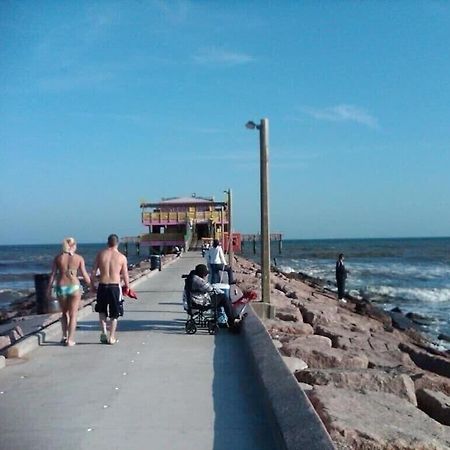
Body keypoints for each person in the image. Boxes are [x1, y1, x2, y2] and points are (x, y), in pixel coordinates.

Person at [47, 237, 91, 347]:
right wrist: (92, 286)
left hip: (61, 287)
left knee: (64, 313)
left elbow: (52, 275)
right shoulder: (79, 258)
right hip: (74, 286)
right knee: (73, 314)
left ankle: (64, 335)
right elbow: (85, 274)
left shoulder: (58, 258)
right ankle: (70, 340)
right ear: (73, 246)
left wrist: (48, 289)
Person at [91, 234, 130, 345]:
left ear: (107, 243)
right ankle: (111, 337)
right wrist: (127, 286)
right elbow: (125, 274)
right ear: (117, 243)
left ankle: (103, 332)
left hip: (102, 285)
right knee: (114, 313)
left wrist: (92, 285)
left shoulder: (100, 254)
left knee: (102, 311)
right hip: (114, 286)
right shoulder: (121, 257)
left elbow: (93, 271)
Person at [187, 264, 240, 329]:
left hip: (193, 300)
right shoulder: (199, 281)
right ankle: (232, 319)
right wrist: (221, 291)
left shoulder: (191, 278)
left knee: (221, 298)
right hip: (200, 302)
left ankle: (230, 318)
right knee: (224, 298)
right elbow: (211, 289)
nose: (206, 276)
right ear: (202, 274)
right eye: (205, 274)